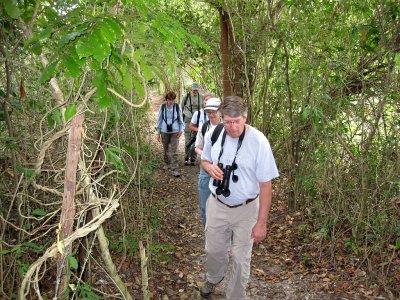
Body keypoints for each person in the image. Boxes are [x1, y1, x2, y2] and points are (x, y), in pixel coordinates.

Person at [199, 96, 279, 299]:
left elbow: (266, 185)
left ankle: (235, 296)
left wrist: (262, 223)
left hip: (247, 209)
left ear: (245, 117)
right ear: (221, 118)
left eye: (237, 121)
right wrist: (209, 167)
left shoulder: (258, 141)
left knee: (241, 258)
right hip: (217, 204)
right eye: (228, 122)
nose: (233, 127)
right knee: (213, 251)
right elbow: (205, 159)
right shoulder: (214, 133)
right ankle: (214, 277)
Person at [194, 97, 222, 226]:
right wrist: (206, 157)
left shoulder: (228, 126)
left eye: (213, 112)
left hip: (223, 170)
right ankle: (208, 232)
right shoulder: (204, 127)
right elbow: (197, 147)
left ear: (220, 111)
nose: (211, 115)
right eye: (208, 112)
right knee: (205, 205)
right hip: (206, 170)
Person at [156, 91, 184, 177]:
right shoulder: (163, 107)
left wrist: (181, 129)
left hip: (175, 131)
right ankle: (166, 163)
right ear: (166, 99)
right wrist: (158, 133)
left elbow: (180, 119)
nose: (171, 102)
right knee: (165, 149)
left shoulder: (177, 106)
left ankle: (175, 169)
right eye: (169, 100)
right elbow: (159, 120)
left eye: (172, 100)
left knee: (174, 150)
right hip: (164, 130)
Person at [181, 82, 204, 165]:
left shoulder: (201, 97)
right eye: (194, 90)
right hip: (188, 119)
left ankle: (193, 159)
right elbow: (181, 107)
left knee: (195, 139)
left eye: (196, 90)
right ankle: (186, 158)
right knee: (187, 139)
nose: (195, 92)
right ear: (191, 89)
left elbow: (203, 109)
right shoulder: (186, 96)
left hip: (197, 121)